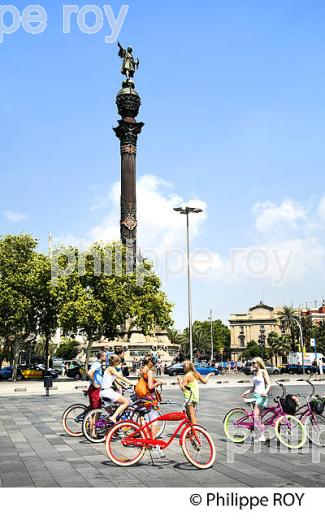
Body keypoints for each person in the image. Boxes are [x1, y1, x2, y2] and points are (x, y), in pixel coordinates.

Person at [139, 355, 164, 458]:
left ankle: (146, 440)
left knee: (144, 420)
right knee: (153, 422)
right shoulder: (149, 371)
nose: (153, 364)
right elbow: (150, 386)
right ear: (149, 362)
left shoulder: (141, 371)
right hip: (150, 399)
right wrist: (158, 382)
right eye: (153, 362)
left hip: (142, 398)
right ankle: (152, 443)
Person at [242, 357, 271, 442]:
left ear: (258, 363)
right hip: (255, 395)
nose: (252, 364)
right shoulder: (256, 372)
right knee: (258, 417)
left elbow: (269, 384)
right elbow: (254, 387)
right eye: (252, 363)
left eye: (254, 363)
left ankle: (261, 435)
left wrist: (265, 392)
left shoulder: (263, 372)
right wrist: (247, 392)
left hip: (261, 396)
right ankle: (261, 435)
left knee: (256, 416)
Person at [177, 360, 215, 425]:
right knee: (190, 415)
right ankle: (191, 432)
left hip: (189, 398)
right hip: (195, 397)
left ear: (187, 367)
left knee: (191, 416)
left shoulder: (187, 376)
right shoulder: (196, 373)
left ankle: (195, 432)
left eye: (183, 366)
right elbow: (205, 381)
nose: (183, 368)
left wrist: (179, 381)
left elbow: (183, 388)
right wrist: (209, 375)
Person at [100, 355, 134, 423]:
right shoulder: (111, 369)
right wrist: (133, 383)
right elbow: (120, 377)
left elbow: (117, 380)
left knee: (109, 413)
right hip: (108, 391)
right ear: (116, 362)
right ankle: (114, 417)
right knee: (126, 402)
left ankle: (101, 427)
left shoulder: (109, 369)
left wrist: (126, 387)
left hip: (102, 392)